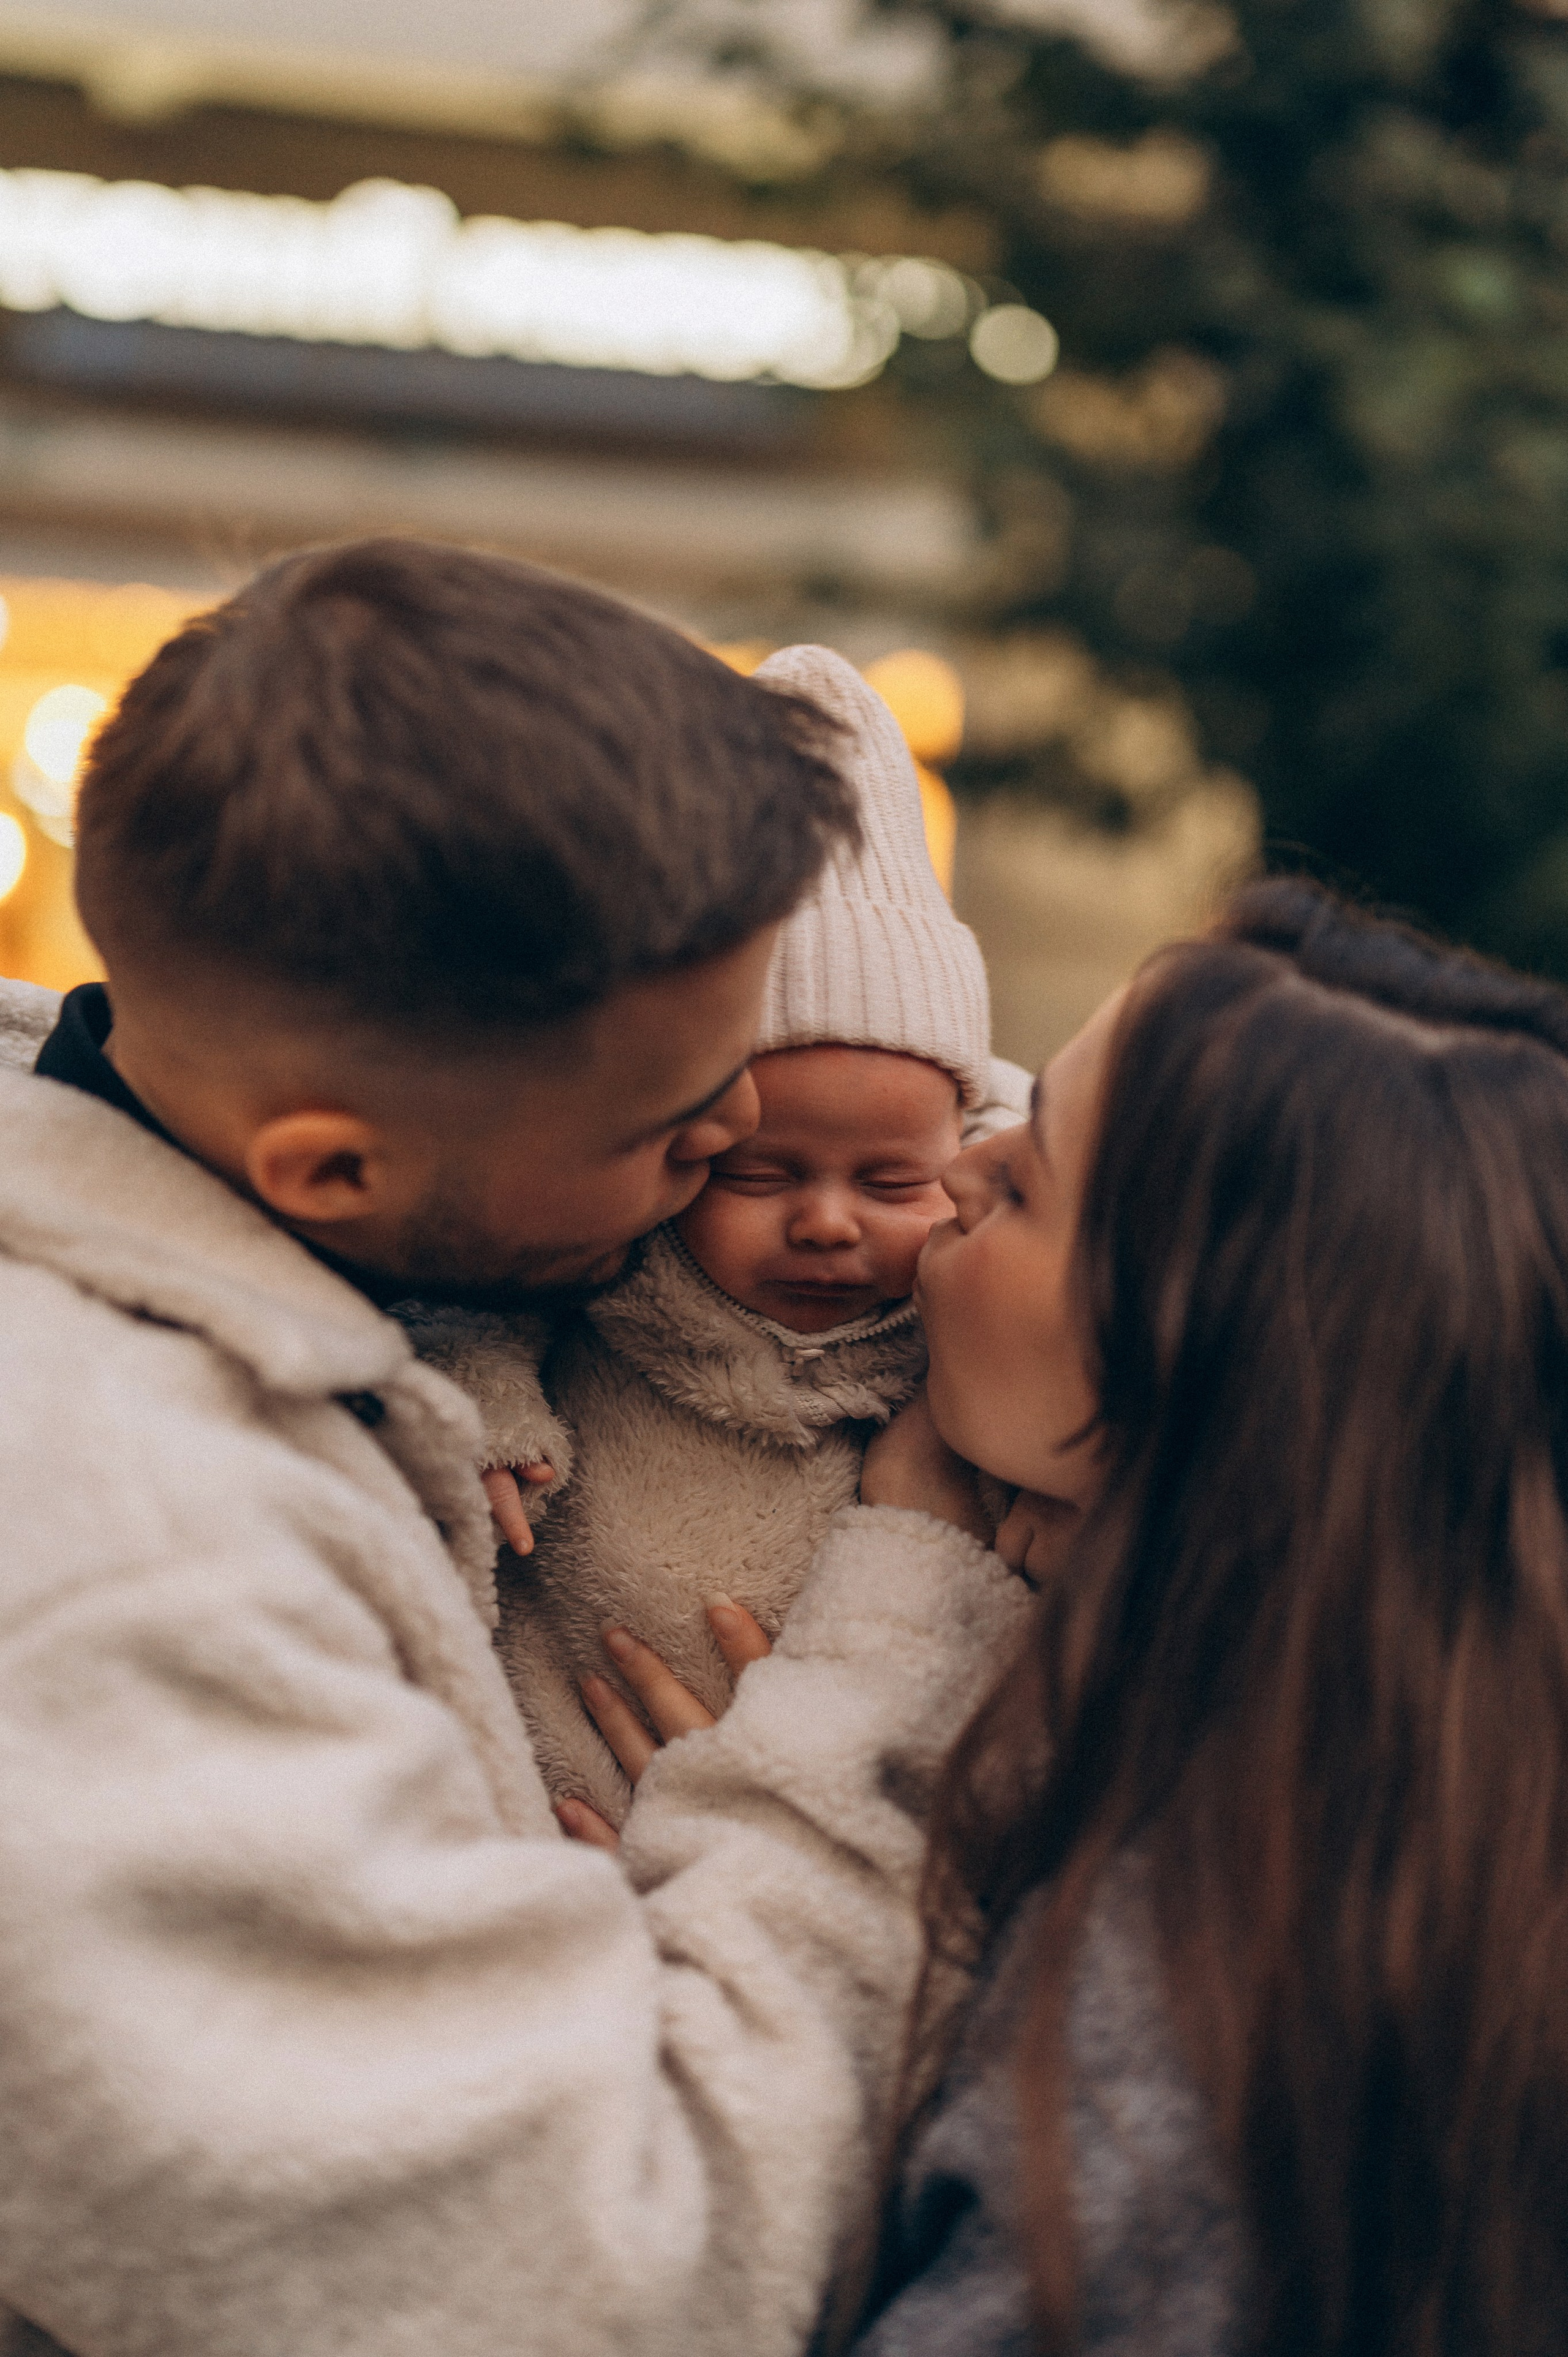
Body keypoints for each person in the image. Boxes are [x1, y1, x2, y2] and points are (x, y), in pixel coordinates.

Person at [0, 538, 1033, 2357]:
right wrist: (866, 1692)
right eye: (682, 1139)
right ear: (335, 1171)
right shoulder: (123, 1573)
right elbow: (612, 2291)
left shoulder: (266, 1125)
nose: (742, 1133)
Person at [845, 875, 1568, 2356]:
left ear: (1199, 1366)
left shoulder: (1199, 1974)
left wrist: (839, 1848)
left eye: (1031, 1179)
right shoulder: (1430, 1772)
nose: (959, 1165)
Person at [408, 644, 1030, 1827]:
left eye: (893, 1181)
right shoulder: (608, 1268)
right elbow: (467, 1304)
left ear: (969, 1147)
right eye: (760, 1172)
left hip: (831, 1819)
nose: (828, 1221)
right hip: (552, 1809)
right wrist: (483, 1412)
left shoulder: (973, 1331)